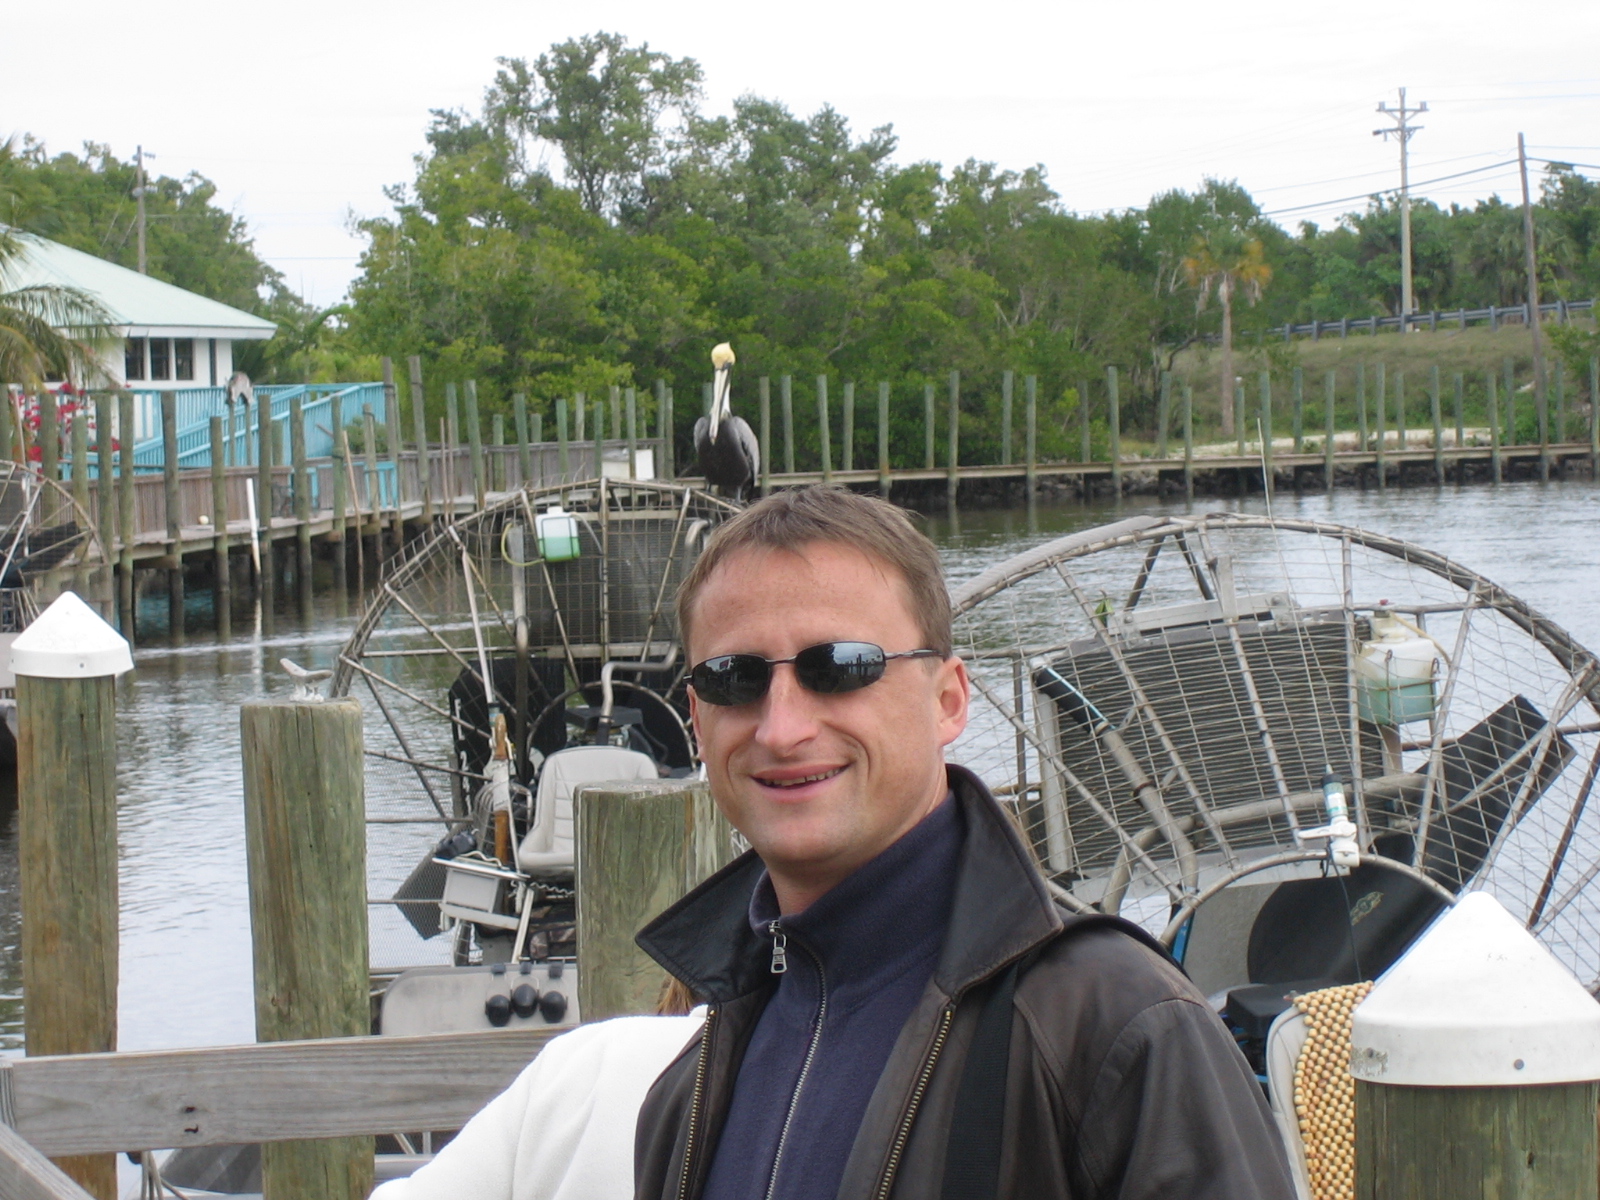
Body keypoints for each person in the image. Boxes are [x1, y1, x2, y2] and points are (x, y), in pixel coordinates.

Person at [633, 485, 1296, 1200]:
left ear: (948, 700)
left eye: (841, 667)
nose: (782, 729)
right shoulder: (684, 1098)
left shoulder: (1119, 1029)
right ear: (697, 718)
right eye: (735, 679)